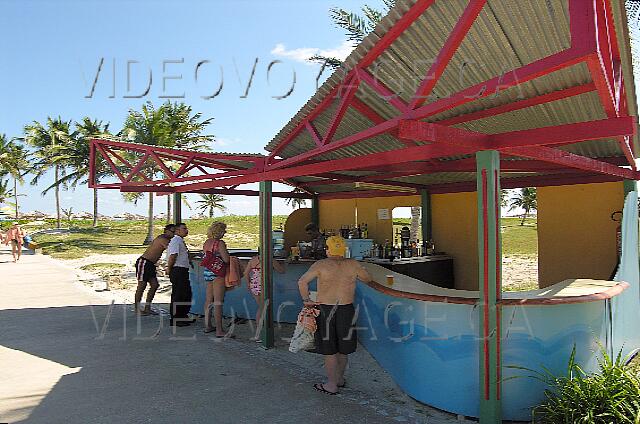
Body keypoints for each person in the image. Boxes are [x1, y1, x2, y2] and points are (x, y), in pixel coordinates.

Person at [297, 235, 372, 395]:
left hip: (325, 310)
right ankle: (339, 379)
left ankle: (331, 384)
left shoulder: (321, 264)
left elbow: (302, 282)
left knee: (329, 349)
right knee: (343, 349)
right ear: (344, 249)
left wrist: (306, 300)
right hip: (346, 310)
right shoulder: (352, 264)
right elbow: (367, 279)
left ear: (327, 250)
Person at [134, 224, 175, 315]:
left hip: (151, 264)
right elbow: (171, 250)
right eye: (172, 231)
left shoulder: (168, 239)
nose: (174, 234)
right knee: (141, 286)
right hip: (144, 262)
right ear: (166, 231)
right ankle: (137, 309)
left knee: (155, 285)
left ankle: (147, 307)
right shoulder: (163, 239)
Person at [243, 252, 286, 341]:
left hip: (254, 284)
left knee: (261, 307)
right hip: (264, 285)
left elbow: (246, 273)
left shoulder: (253, 260)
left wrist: (248, 285)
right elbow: (281, 271)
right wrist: (285, 263)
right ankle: (260, 334)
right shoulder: (270, 260)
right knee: (263, 309)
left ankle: (260, 333)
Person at [202, 221, 232, 337]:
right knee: (218, 301)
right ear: (220, 231)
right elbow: (226, 260)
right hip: (218, 273)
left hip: (208, 272)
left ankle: (207, 326)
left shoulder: (207, 242)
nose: (225, 232)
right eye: (224, 230)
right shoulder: (220, 243)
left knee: (209, 300)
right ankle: (219, 330)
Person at [166, 223, 194, 327]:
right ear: (177, 230)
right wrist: (169, 268)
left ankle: (182, 316)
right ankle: (176, 318)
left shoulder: (180, 240)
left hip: (182, 270)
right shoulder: (176, 240)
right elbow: (173, 255)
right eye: (184, 228)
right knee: (179, 294)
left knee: (185, 294)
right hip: (178, 270)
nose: (186, 230)